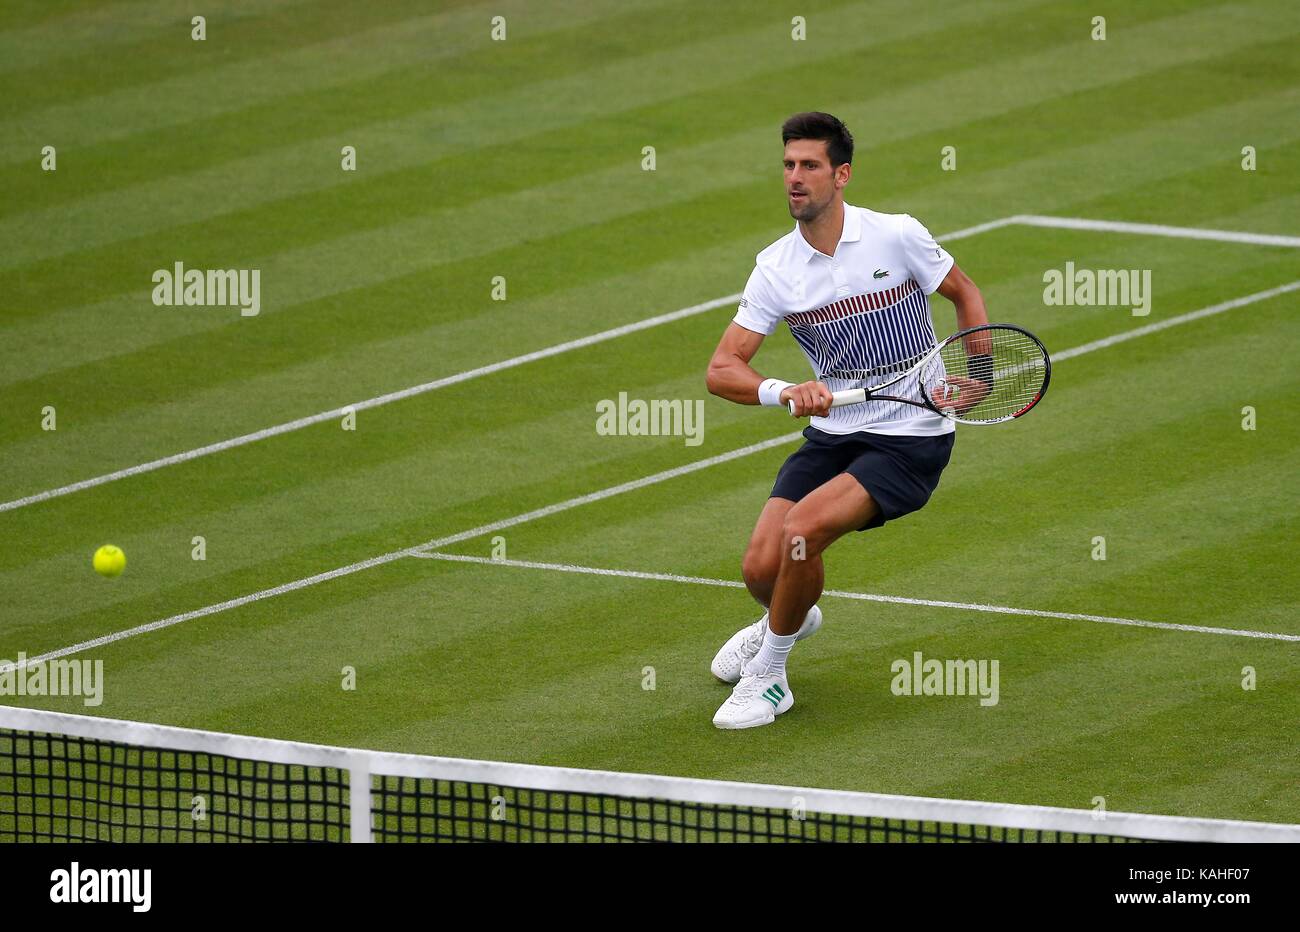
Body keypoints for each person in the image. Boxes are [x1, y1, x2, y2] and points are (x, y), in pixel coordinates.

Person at [704, 111, 990, 729]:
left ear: (842, 175)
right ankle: (790, 615)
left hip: (912, 435)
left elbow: (965, 294)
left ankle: (771, 675)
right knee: (761, 567)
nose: (795, 179)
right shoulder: (775, 267)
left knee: (801, 531)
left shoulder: (897, 236)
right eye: (787, 165)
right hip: (835, 430)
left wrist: (982, 381)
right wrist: (784, 391)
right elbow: (722, 369)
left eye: (809, 166)